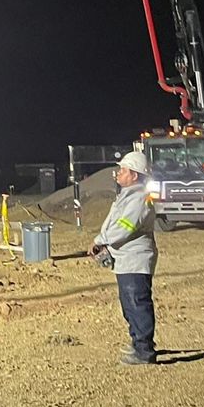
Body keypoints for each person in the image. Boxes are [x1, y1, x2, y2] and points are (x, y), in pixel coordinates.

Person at [89, 151, 158, 365]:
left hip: (135, 259)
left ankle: (144, 351)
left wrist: (101, 240)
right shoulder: (128, 195)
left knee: (137, 303)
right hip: (126, 259)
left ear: (135, 175)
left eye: (123, 170)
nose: (118, 173)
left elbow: (125, 227)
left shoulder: (138, 199)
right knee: (129, 304)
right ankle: (139, 343)